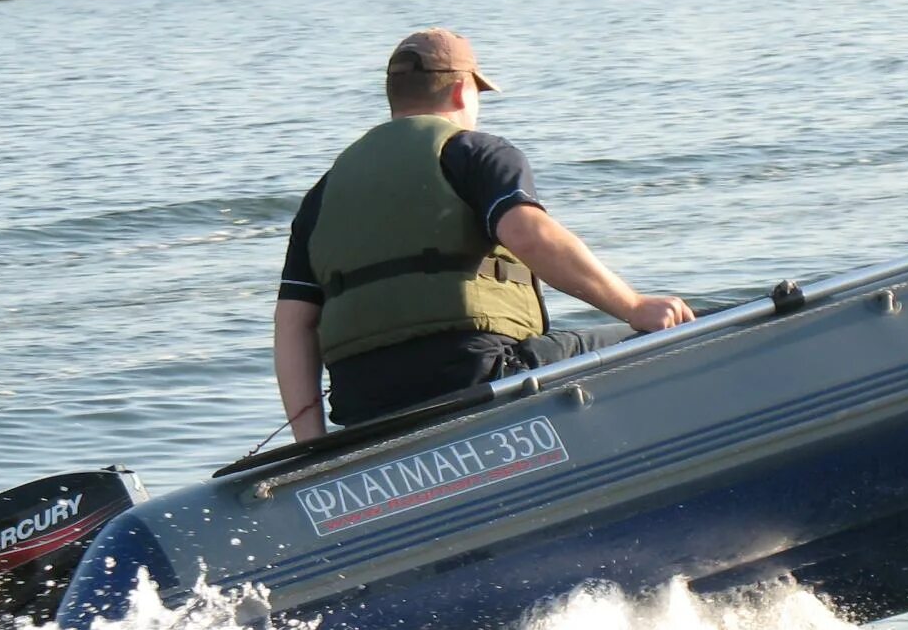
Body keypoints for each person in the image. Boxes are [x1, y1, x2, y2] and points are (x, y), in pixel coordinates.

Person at [274, 28, 693, 439]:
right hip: (478, 374)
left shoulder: (322, 194)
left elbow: (293, 325)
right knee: (680, 330)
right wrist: (635, 306)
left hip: (365, 404)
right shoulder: (474, 152)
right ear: (461, 91)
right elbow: (529, 236)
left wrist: (312, 444)